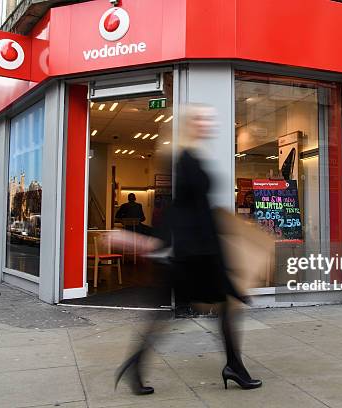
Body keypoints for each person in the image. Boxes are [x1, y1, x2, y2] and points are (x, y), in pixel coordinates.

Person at [114, 104, 262, 395]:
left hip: (197, 252)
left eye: (207, 118)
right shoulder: (184, 159)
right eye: (199, 119)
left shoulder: (192, 157)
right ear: (188, 125)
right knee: (209, 310)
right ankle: (233, 366)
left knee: (213, 310)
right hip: (194, 255)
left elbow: (191, 209)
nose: (206, 123)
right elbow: (182, 209)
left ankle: (233, 366)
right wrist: (161, 243)